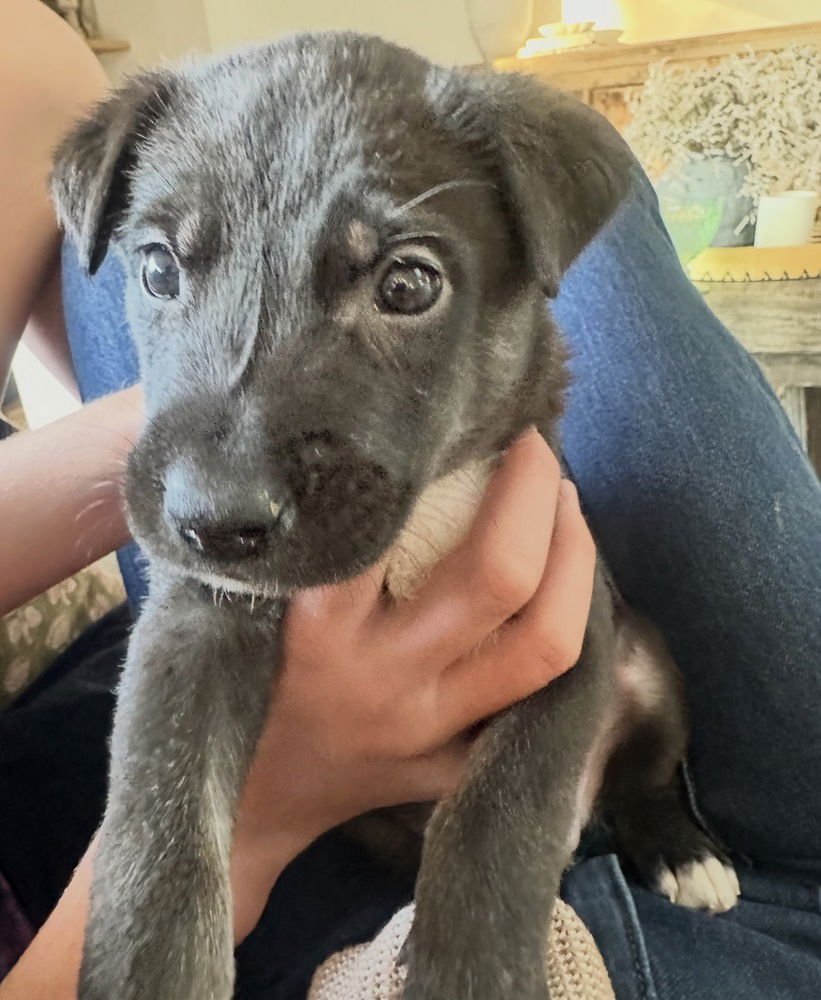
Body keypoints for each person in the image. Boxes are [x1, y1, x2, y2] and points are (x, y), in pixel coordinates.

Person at [2, 2, 820, 998]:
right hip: (322, 875)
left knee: (621, 654)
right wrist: (257, 831)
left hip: (527, 759)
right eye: (162, 269)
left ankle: (650, 804)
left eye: (399, 285)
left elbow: (31, 63)